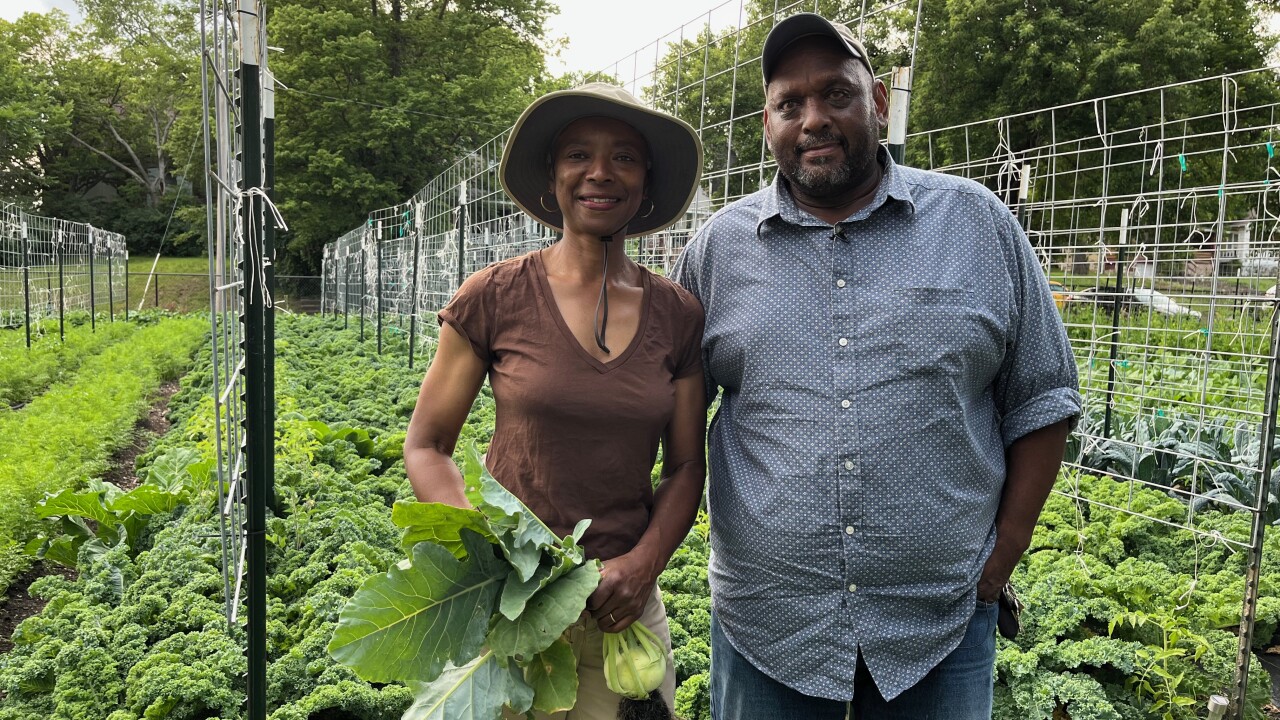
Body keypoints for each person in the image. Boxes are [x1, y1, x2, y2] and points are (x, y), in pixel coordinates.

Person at [671, 13, 1081, 720]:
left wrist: (1004, 553)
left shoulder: (976, 224)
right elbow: (665, 415)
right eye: (789, 104)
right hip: (768, 627)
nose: (814, 120)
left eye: (837, 94)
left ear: (880, 102)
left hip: (940, 624)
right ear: (765, 121)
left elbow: (1043, 398)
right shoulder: (717, 252)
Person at [404, 82, 707, 719]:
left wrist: (641, 565)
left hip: (618, 612)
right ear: (553, 175)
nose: (600, 172)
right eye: (577, 155)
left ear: (646, 180)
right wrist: (490, 553)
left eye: (624, 156)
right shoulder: (493, 296)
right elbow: (428, 446)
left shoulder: (677, 315)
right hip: (511, 608)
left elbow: (684, 466)